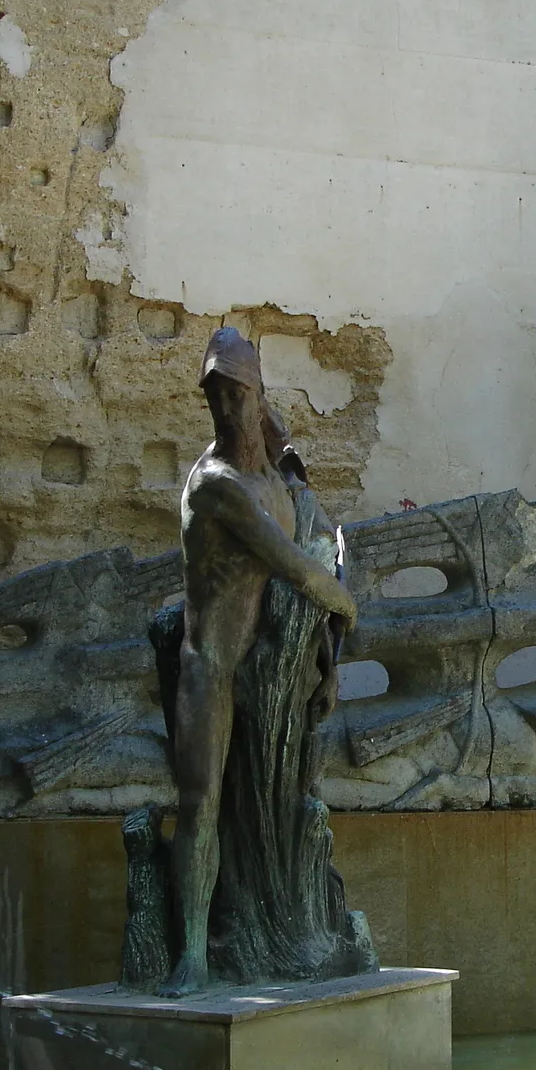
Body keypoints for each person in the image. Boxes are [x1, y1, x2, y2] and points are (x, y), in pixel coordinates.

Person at [162, 327, 357, 994]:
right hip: (211, 669)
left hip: (271, 669)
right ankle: (192, 953)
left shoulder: (272, 471)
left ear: (257, 395)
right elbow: (294, 565)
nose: (228, 407)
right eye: (216, 394)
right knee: (200, 805)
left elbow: (318, 524)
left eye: (239, 393)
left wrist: (327, 656)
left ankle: (285, 931)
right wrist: (346, 604)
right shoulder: (218, 486)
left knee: (280, 805)